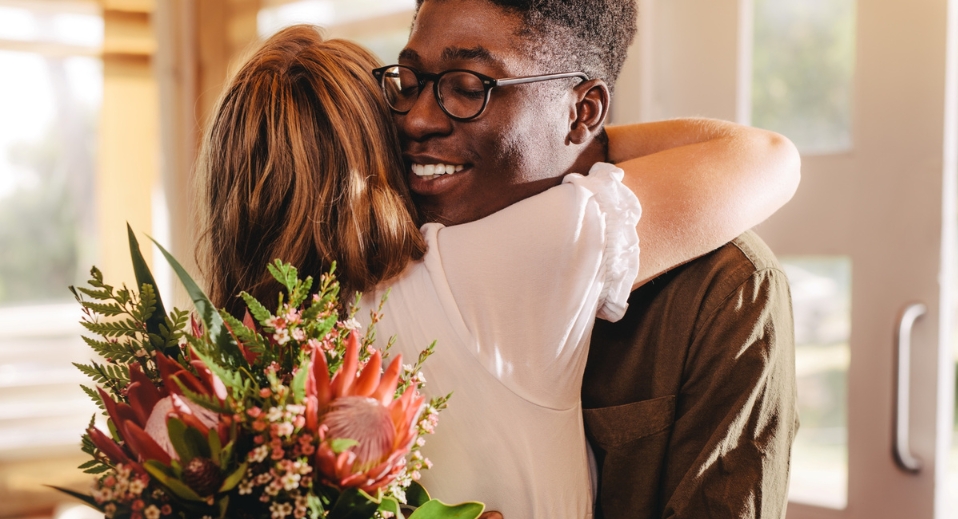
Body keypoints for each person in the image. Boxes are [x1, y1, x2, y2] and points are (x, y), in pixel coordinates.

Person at [198, 23, 796, 519]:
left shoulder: (231, 378)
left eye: (464, 86)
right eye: (405, 94)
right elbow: (765, 158)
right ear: (383, 146)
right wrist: (582, 136)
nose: (418, 122)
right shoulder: (477, 268)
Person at [391, 1, 800, 518]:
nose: (417, 119)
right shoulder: (375, 245)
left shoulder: (724, 288)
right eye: (407, 82)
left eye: (468, 87)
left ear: (583, 111)